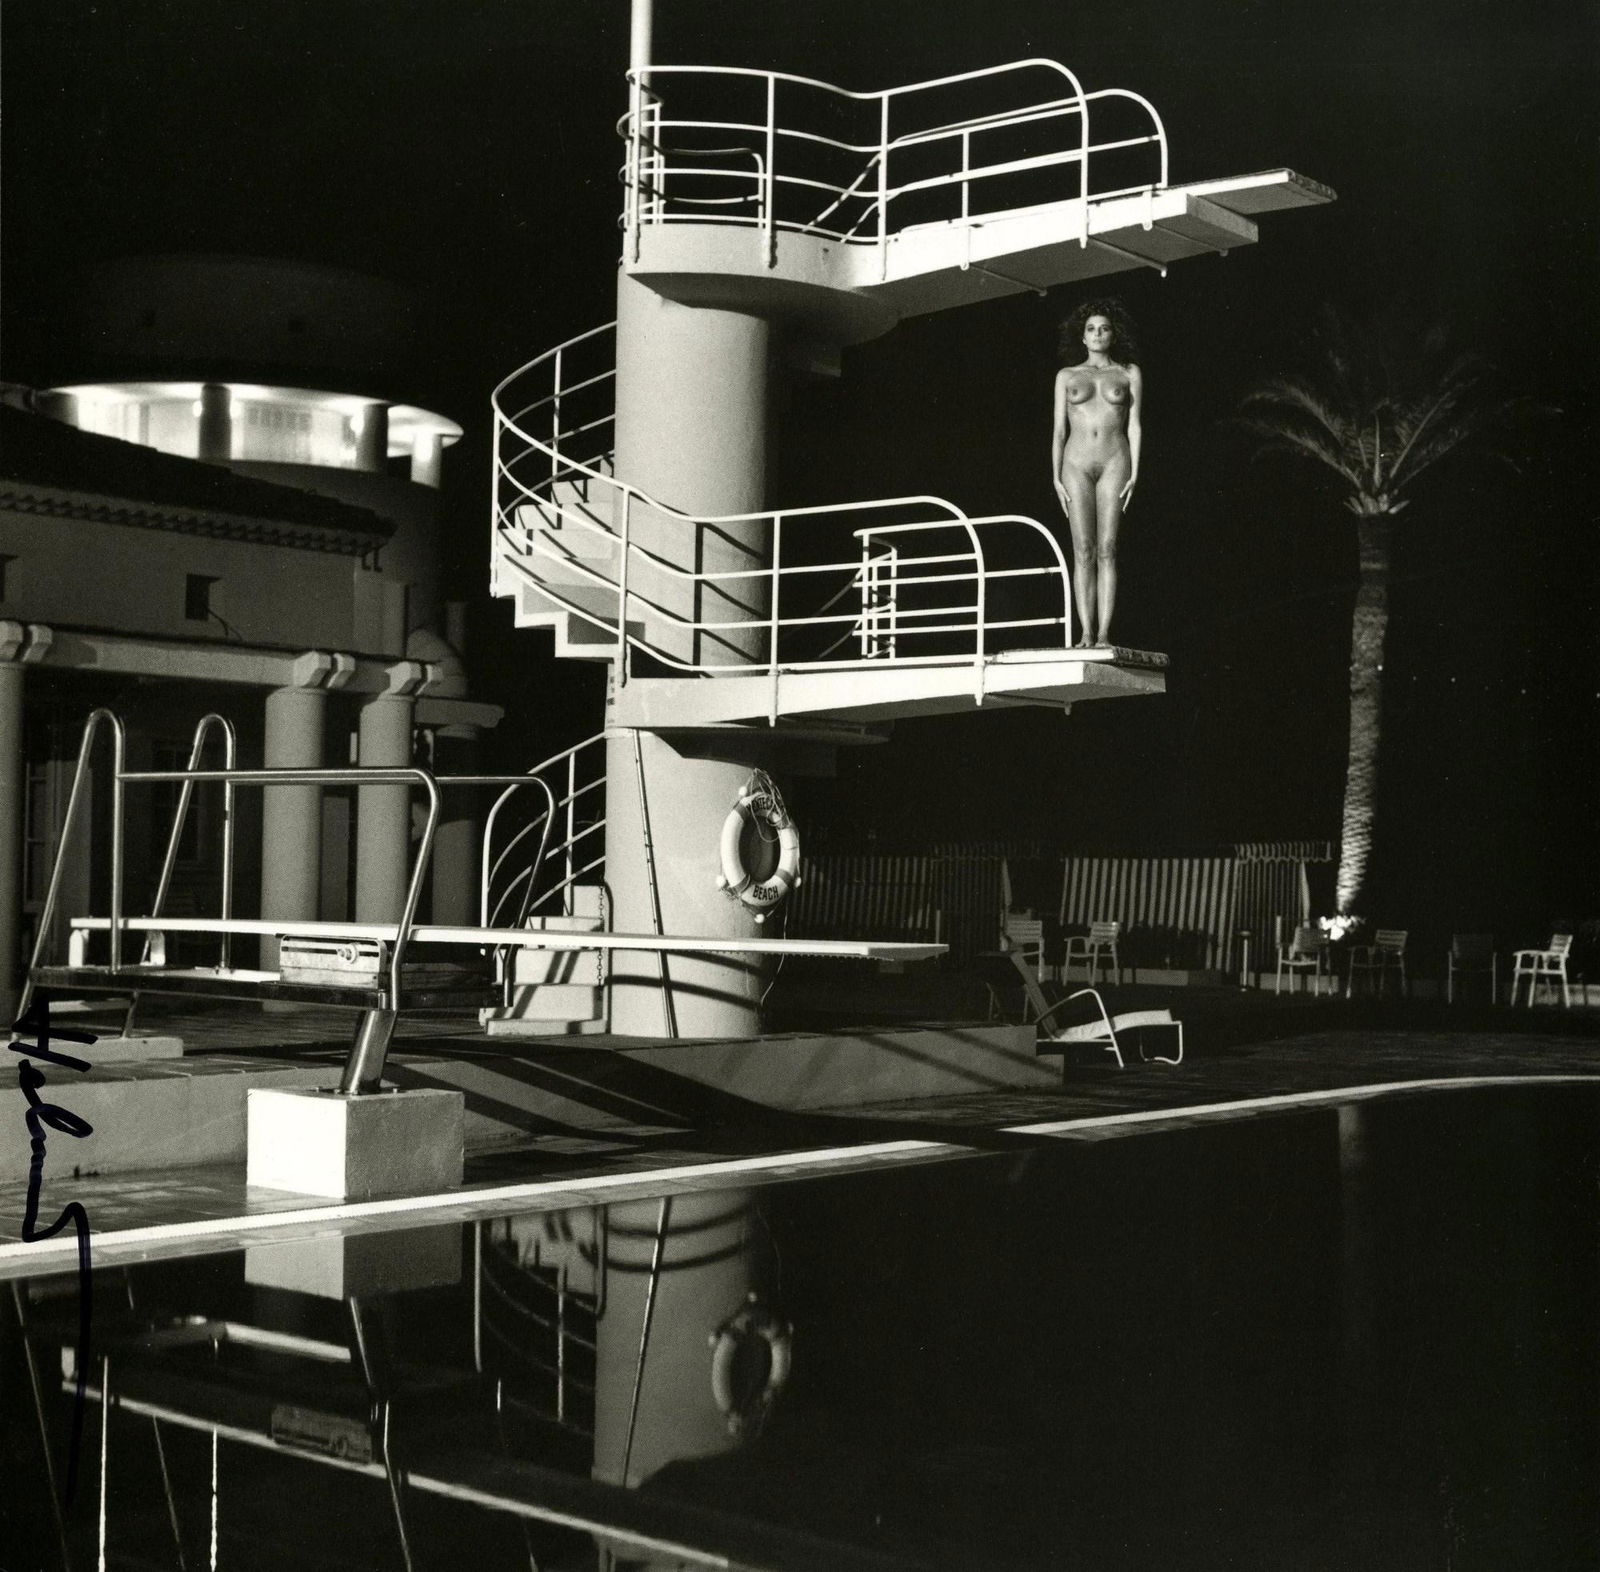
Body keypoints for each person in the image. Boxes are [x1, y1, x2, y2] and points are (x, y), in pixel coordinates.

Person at [1051, 300, 1143, 648]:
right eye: (1091, 329)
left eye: (1104, 328)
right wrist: (1055, 476)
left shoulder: (1128, 373)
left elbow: (1134, 426)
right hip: (1075, 463)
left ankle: (1104, 634)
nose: (1097, 334)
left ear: (1113, 333)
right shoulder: (1067, 376)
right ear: (1083, 337)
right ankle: (1085, 632)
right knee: (1083, 549)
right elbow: (1059, 430)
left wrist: (1135, 470)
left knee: (1107, 548)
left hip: (1114, 461)